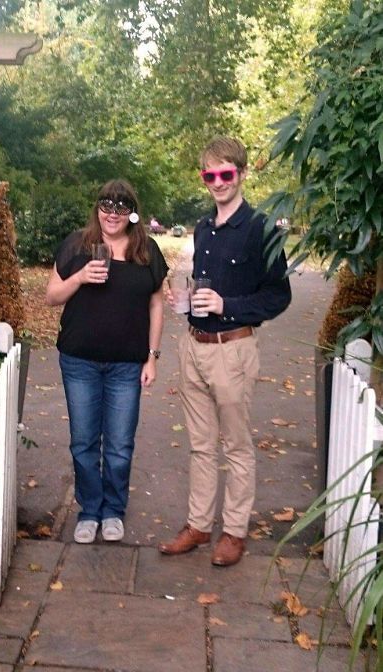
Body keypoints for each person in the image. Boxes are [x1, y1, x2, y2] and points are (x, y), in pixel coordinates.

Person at [158, 136, 292, 566]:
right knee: (200, 445)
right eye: (209, 175)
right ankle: (199, 525)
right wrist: (185, 303)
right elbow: (203, 289)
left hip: (233, 350)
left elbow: (278, 296)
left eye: (226, 173)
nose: (218, 182)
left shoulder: (261, 229)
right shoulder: (203, 228)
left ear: (242, 173)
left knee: (235, 446)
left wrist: (226, 306)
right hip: (194, 347)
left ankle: (234, 531)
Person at [46, 179, 168, 544]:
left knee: (119, 446)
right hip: (80, 361)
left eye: (120, 207)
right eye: (106, 205)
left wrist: (152, 358)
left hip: (126, 365)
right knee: (83, 443)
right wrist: (80, 277)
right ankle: (89, 510)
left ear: (132, 213)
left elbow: (156, 305)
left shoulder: (146, 251)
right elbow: (52, 296)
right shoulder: (77, 244)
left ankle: (113, 509)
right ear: (97, 208)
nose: (112, 214)